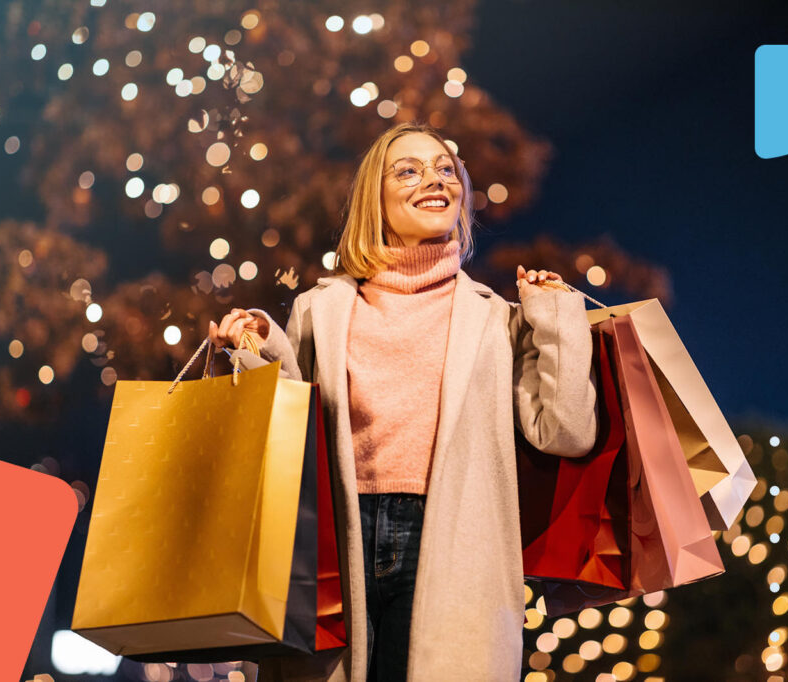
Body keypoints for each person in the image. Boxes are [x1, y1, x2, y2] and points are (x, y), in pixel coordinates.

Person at [208, 122, 598, 682]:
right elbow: (287, 434)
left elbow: (565, 431)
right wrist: (254, 348)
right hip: (337, 544)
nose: (433, 179)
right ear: (376, 197)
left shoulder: (495, 318)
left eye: (445, 168)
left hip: (454, 545)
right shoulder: (320, 309)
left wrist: (557, 315)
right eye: (408, 170)